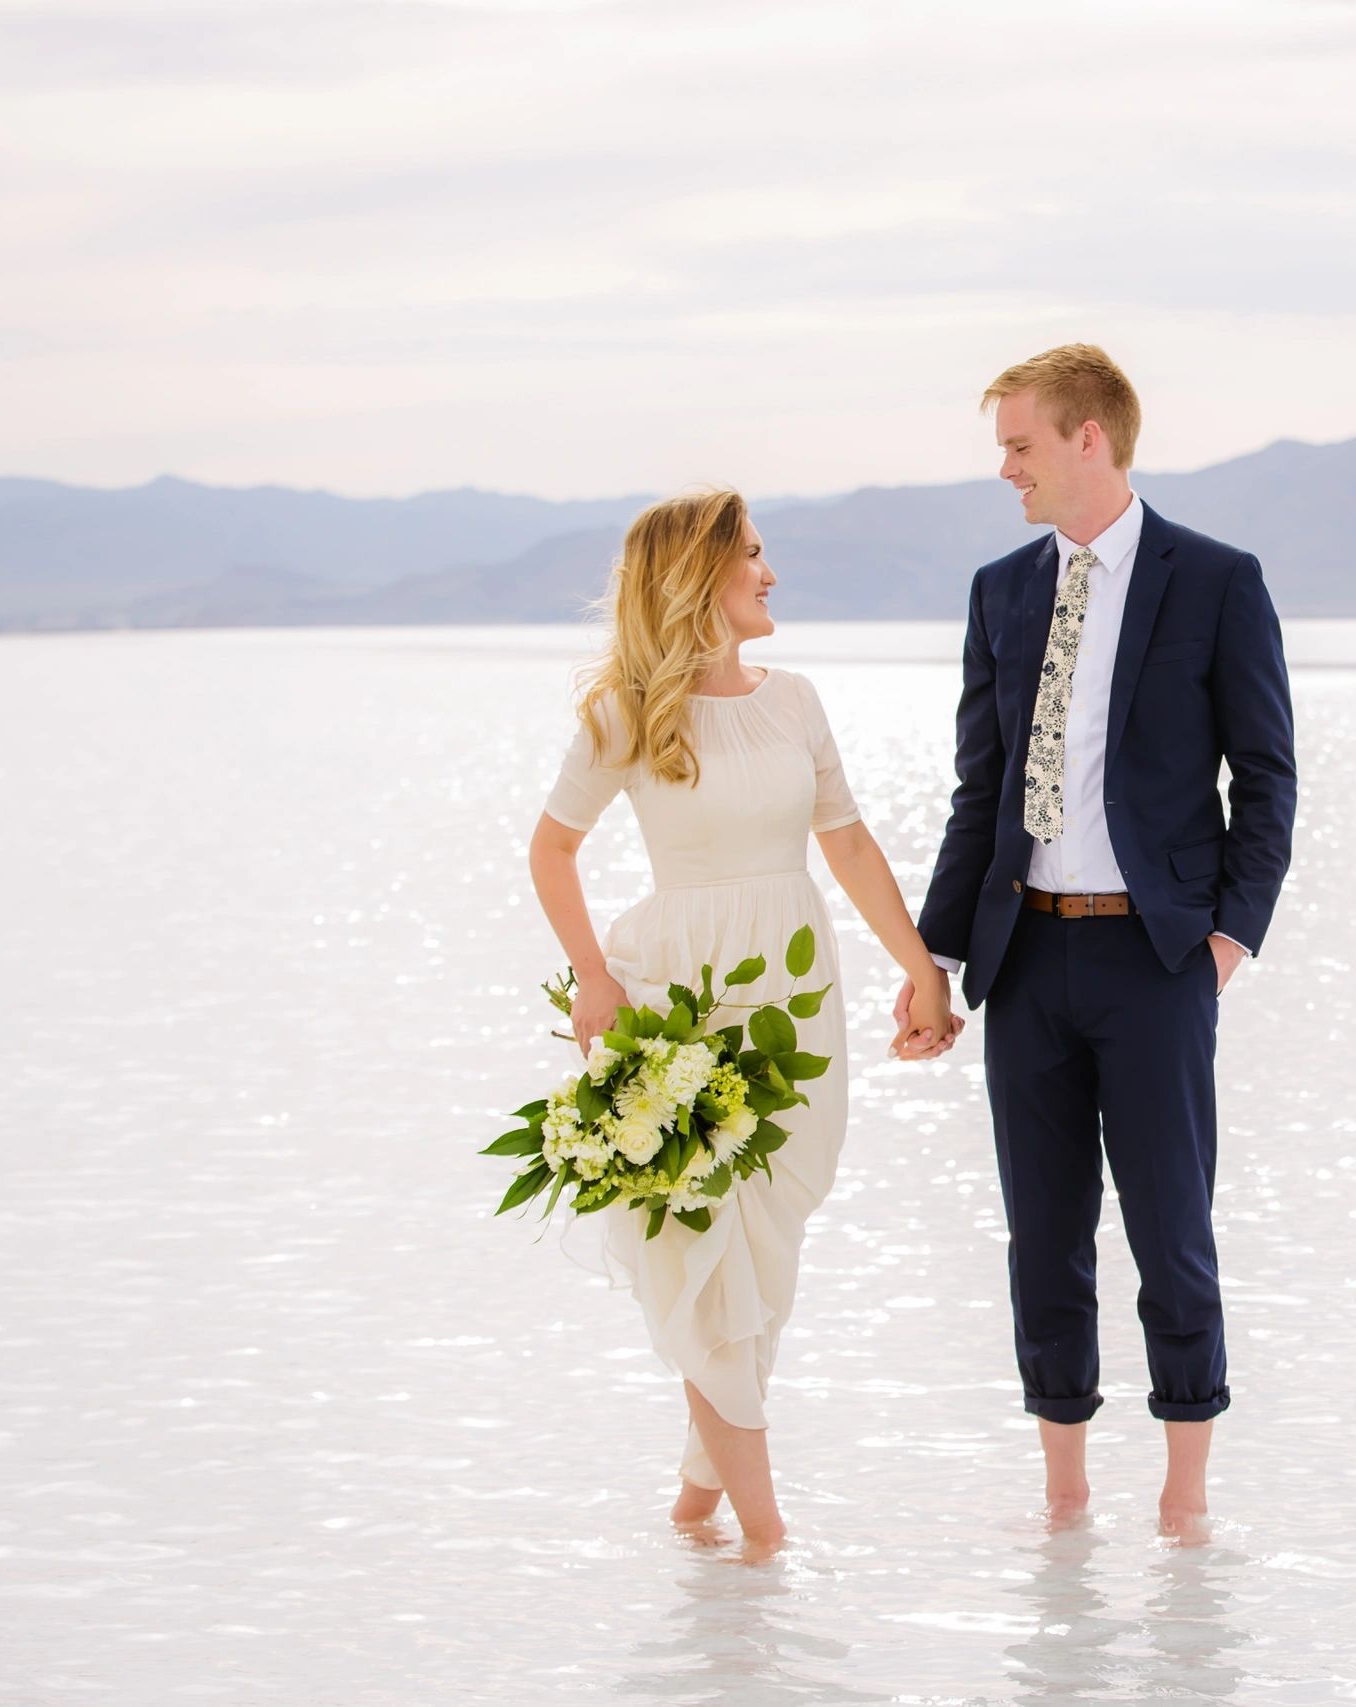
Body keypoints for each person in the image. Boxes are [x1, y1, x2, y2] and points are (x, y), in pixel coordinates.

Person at [898, 344, 1298, 1538]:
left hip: (1158, 958)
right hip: (1025, 960)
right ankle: (1064, 1501)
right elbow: (982, 796)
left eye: (1019, 445)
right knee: (1044, 1236)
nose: (1005, 469)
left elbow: (1266, 781)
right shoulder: (999, 590)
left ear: (1090, 438)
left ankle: (1184, 1505)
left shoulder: (1215, 581)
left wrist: (1227, 940)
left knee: (1172, 1230)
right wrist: (938, 962)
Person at [528, 487, 956, 1557]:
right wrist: (592, 978)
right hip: (680, 1000)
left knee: (766, 1256)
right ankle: (767, 1542)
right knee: (709, 1253)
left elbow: (848, 845)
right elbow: (551, 849)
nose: (770, 573)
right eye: (753, 556)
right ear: (695, 577)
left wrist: (922, 974)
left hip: (796, 1002)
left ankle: (693, 1514)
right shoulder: (623, 710)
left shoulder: (796, 699)